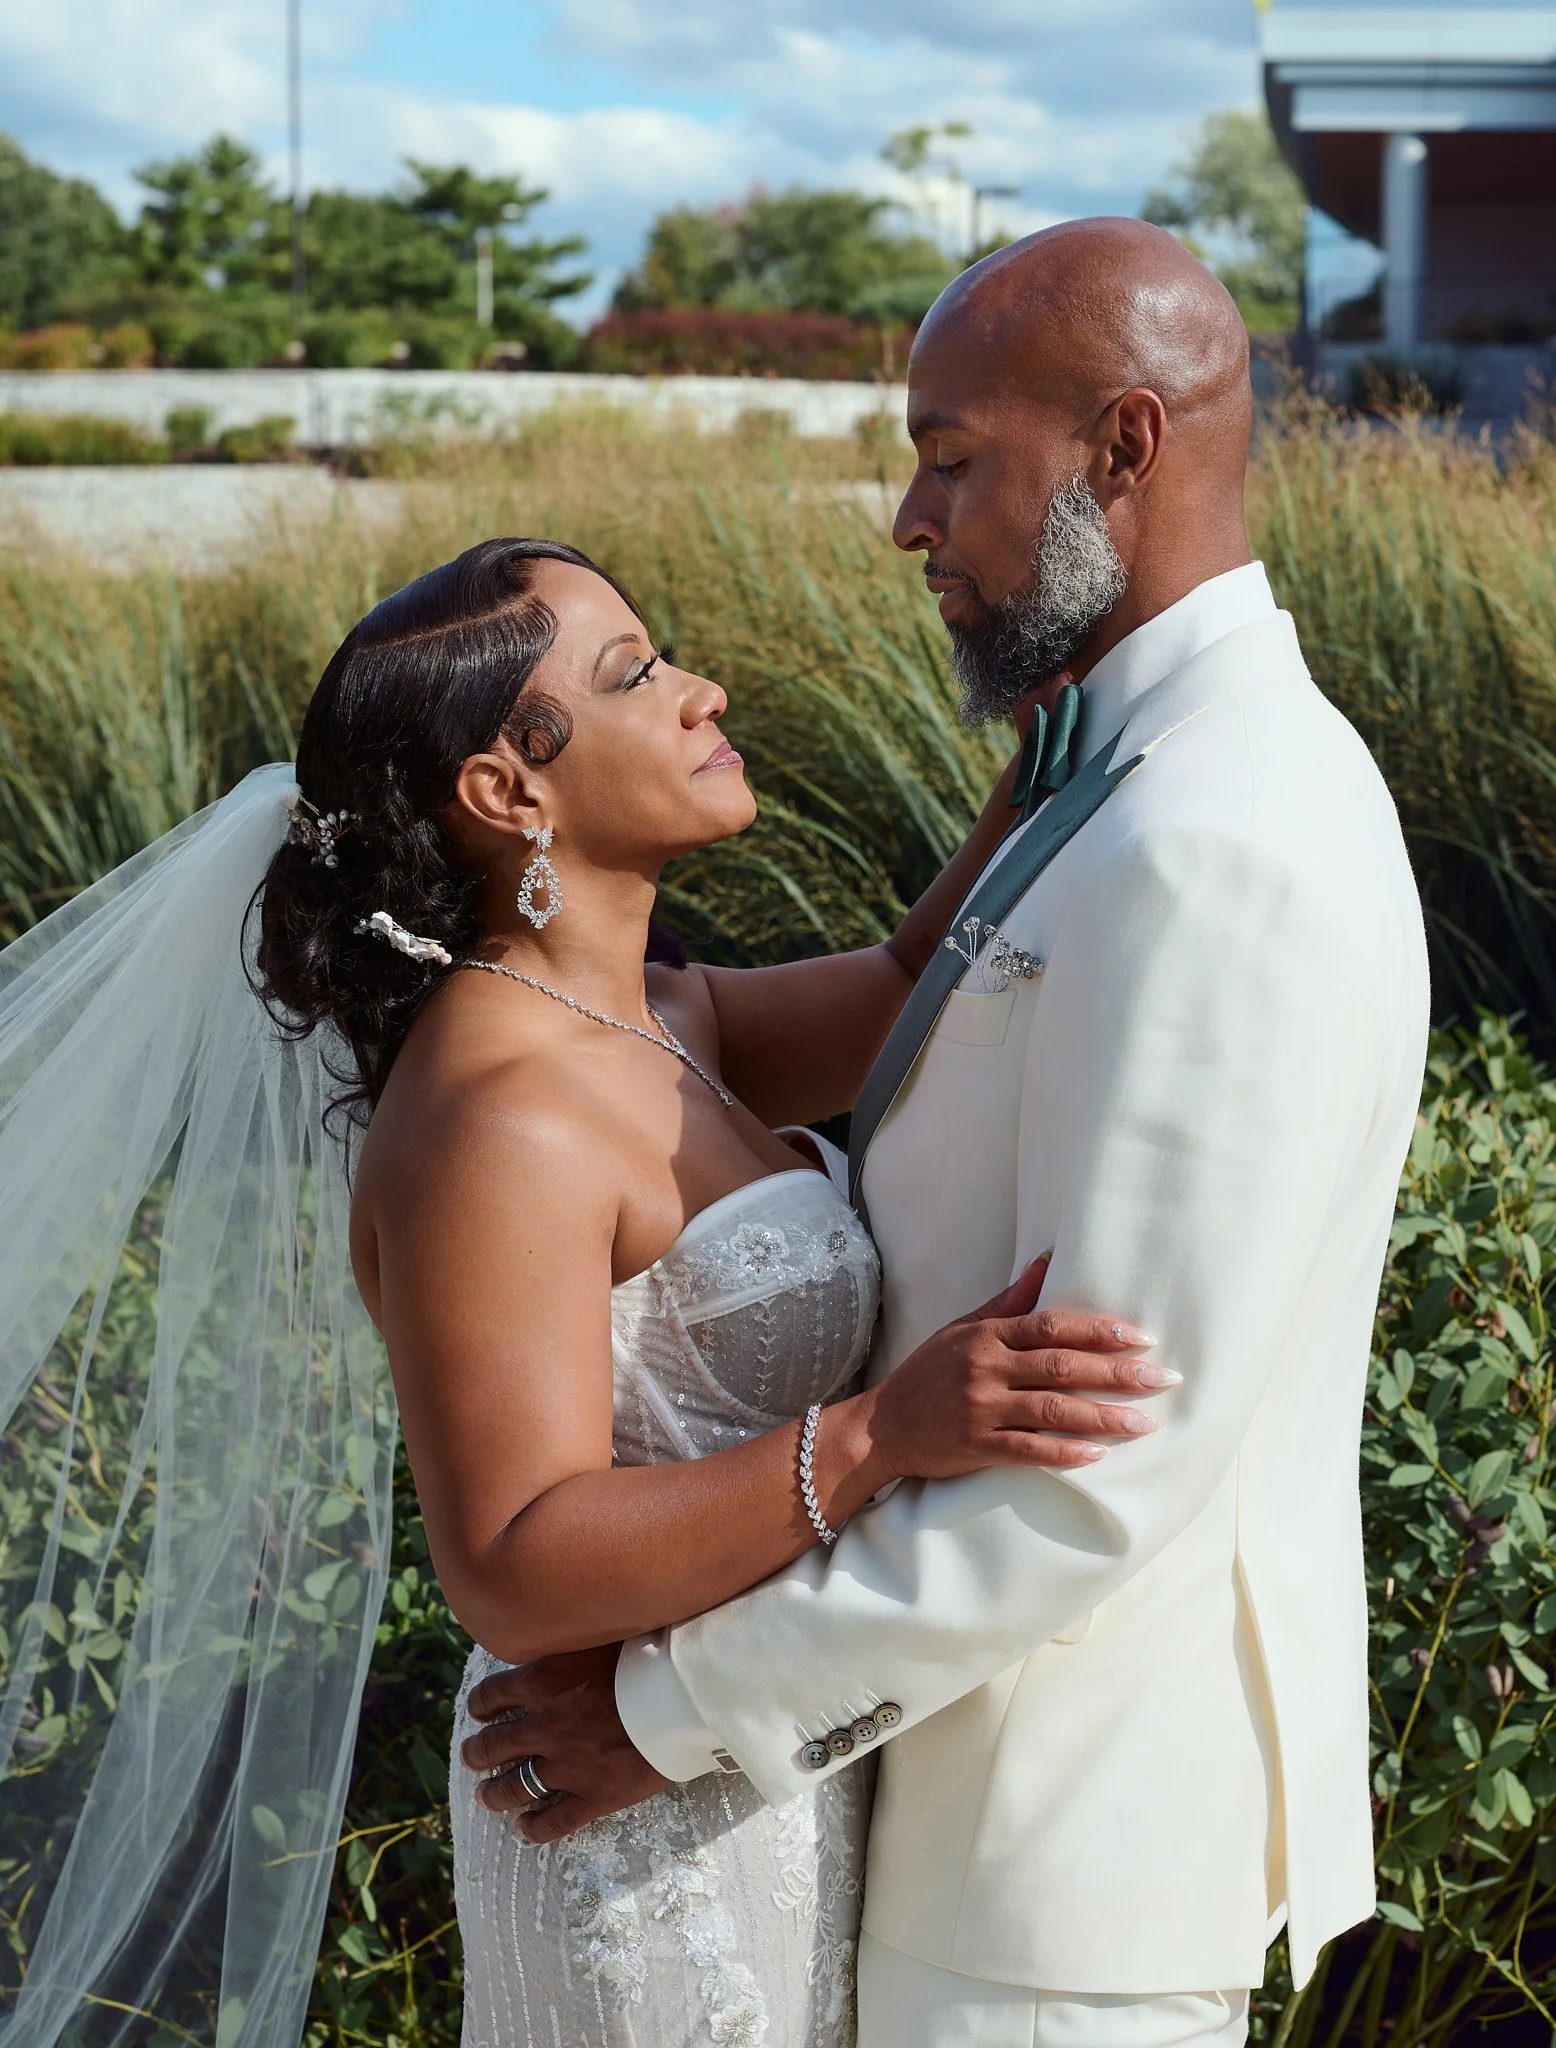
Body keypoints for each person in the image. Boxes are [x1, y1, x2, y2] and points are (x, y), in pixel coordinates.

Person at [463, 219, 1431, 2048]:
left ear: (1123, 448)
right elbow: (910, 1002)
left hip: (1049, 1874)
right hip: (939, 1830)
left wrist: (665, 1713)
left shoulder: (1214, 839)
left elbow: (1095, 1456)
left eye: (950, 455)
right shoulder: (1133, 781)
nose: (909, 519)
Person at [0, 532, 1166, 2048]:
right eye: (635, 676)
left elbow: (903, 993)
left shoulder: (663, 1018)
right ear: (508, 791)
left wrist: (1055, 749)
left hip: (757, 1756)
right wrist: (882, 1435)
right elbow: (508, 1553)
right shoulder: (499, 1118)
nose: (702, 690)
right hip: (634, 1840)